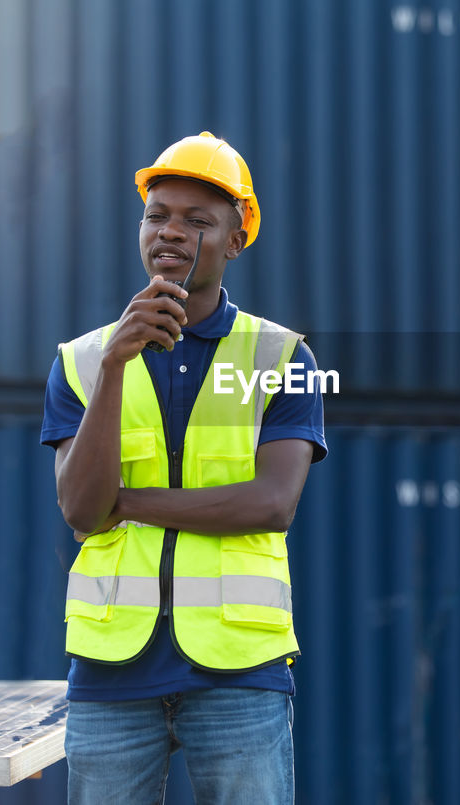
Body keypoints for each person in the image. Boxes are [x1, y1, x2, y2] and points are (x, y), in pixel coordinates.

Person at [40, 131, 327, 805]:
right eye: (158, 214)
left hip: (238, 671)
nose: (171, 231)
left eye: (198, 220)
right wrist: (117, 363)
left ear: (235, 240)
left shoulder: (282, 358)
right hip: (113, 671)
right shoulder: (83, 361)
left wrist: (130, 502)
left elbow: (272, 503)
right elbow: (81, 509)